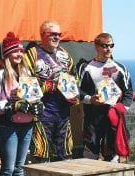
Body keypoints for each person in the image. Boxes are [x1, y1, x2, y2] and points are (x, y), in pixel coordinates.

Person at [0, 32, 44, 175]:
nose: (19, 54)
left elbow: (35, 96)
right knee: (8, 169)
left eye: (21, 51)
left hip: (27, 124)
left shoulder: (26, 72)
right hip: (8, 125)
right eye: (15, 51)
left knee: (20, 169)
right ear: (7, 53)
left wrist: (37, 105)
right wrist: (11, 106)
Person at [24, 20, 78, 162]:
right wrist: (49, 86)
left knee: (65, 157)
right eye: (52, 34)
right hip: (42, 116)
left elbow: (74, 76)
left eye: (59, 34)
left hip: (63, 115)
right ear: (42, 35)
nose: (57, 37)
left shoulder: (64, 54)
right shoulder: (32, 54)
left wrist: (73, 94)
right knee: (42, 159)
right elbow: (26, 84)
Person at [77, 32, 133, 162]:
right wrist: (90, 99)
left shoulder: (121, 68)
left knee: (113, 154)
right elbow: (76, 90)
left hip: (113, 116)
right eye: (105, 46)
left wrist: (122, 107)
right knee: (90, 153)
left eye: (111, 45)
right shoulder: (85, 68)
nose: (109, 49)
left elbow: (128, 91)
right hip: (92, 117)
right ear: (96, 46)